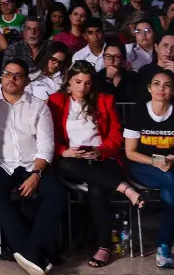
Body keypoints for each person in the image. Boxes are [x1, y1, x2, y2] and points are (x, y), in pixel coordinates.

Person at [47, 60, 144, 268]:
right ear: (69, 82)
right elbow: (48, 137)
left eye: (88, 83)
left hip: (102, 158)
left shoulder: (104, 100)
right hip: (73, 161)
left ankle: (104, 248)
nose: (83, 88)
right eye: (78, 82)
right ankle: (125, 188)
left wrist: (100, 151)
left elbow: (116, 136)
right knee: (66, 164)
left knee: (98, 189)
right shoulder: (56, 101)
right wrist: (65, 151)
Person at [0, 59, 63, 275]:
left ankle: (28, 250)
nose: (12, 79)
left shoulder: (39, 106)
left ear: (26, 81)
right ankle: (32, 253)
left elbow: (46, 146)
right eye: (8, 74)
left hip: (31, 163)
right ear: (2, 76)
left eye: (17, 75)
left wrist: (36, 174)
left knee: (56, 194)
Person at [123, 68, 174, 268]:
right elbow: (130, 152)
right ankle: (163, 246)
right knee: (171, 182)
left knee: (171, 190)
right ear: (149, 88)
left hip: (170, 168)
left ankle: (163, 249)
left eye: (167, 85)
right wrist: (155, 162)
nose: (162, 88)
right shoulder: (139, 111)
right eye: (157, 84)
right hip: (142, 166)